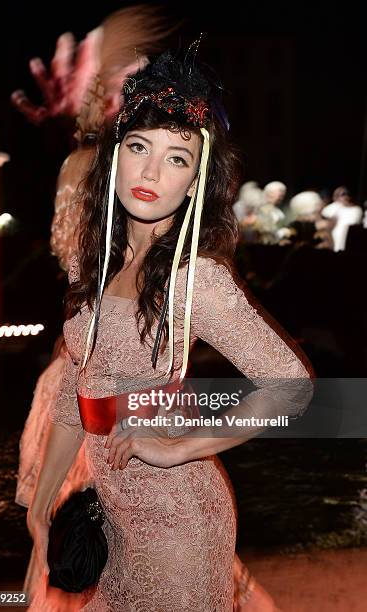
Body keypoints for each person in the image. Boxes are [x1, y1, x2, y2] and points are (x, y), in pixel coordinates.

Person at [24, 49, 312, 611]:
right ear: (115, 158)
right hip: (110, 515)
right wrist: (41, 503)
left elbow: (292, 386)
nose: (152, 173)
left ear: (196, 182)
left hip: (180, 522)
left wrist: (186, 445)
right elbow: (72, 396)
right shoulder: (93, 264)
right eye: (139, 148)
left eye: (177, 158)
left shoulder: (195, 279)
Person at [321, 185, 363, 251]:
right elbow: (324, 216)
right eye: (338, 195)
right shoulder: (333, 207)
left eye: (345, 194)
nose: (344, 197)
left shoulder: (357, 210)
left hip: (348, 243)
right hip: (333, 243)